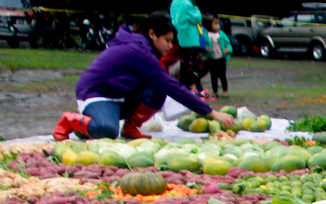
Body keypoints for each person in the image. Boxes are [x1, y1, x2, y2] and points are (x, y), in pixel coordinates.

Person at [53, 12, 234, 141]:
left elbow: (165, 85)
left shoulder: (145, 49)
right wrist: (211, 112)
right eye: (168, 40)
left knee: (157, 89)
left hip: (121, 95)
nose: (171, 46)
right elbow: (171, 85)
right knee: (107, 131)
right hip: (96, 95)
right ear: (152, 34)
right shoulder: (139, 52)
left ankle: (130, 128)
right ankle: (71, 120)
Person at [170, 0, 205, 95]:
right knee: (194, 65)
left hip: (182, 37)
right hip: (191, 38)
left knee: (184, 64)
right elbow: (196, 18)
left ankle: (184, 86)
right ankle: (199, 88)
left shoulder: (174, 2)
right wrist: (197, 10)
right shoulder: (186, 3)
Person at [201, 15, 232, 99]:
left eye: (218, 23)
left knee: (222, 75)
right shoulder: (206, 34)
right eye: (215, 23)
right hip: (211, 58)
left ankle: (225, 91)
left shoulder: (221, 34)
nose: (218, 25)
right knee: (213, 76)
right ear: (209, 25)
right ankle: (215, 91)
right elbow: (202, 44)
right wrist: (204, 49)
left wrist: (228, 50)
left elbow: (228, 43)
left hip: (221, 58)